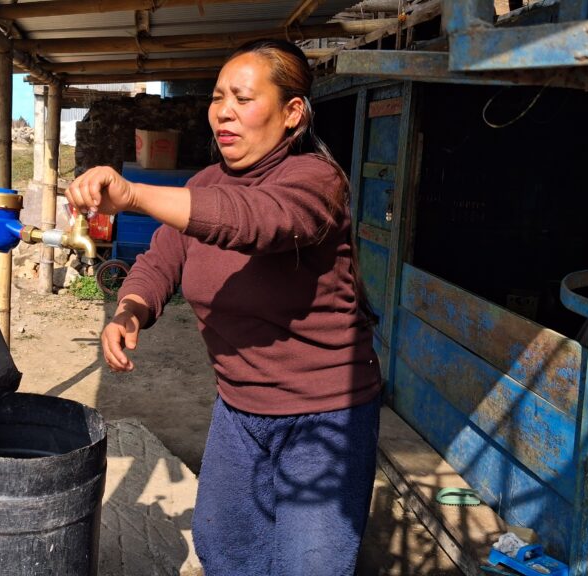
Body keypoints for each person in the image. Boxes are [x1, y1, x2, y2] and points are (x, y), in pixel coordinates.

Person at [64, 39, 382, 576]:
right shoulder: (203, 185)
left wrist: (136, 194)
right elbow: (161, 260)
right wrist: (129, 310)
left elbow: (254, 219)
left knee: (310, 565)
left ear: (292, 113)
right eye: (217, 97)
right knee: (225, 551)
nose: (223, 112)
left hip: (326, 415)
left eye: (243, 98)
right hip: (238, 409)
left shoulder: (316, 182)